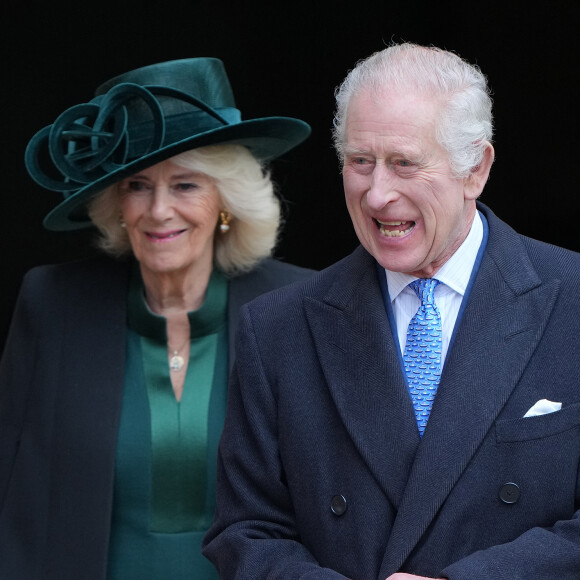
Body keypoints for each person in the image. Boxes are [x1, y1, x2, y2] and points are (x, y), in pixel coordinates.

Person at [202, 42, 580, 579]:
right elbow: (246, 532)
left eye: (404, 163)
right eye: (360, 162)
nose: (378, 194)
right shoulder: (277, 330)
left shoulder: (572, 300)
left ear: (476, 168)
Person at [0, 57, 314, 579]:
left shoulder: (298, 306)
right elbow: (12, 493)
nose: (159, 209)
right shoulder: (52, 303)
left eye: (186, 184)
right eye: (138, 185)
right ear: (115, 204)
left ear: (225, 202)